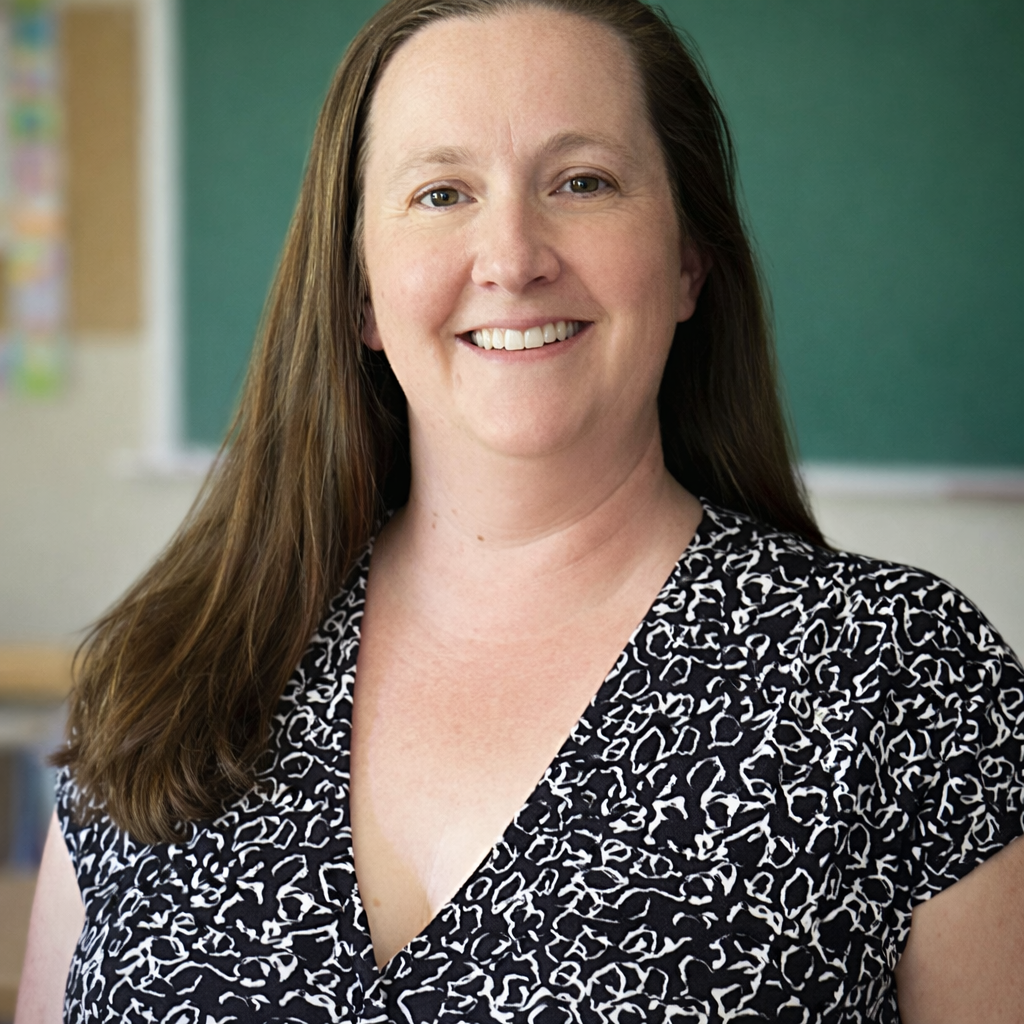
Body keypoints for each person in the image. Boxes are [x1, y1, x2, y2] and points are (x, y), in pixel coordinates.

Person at [17, 0, 1024, 1021]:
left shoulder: (903, 679)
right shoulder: (164, 674)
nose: (511, 256)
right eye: (441, 192)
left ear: (687, 260)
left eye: (581, 182)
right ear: (360, 291)